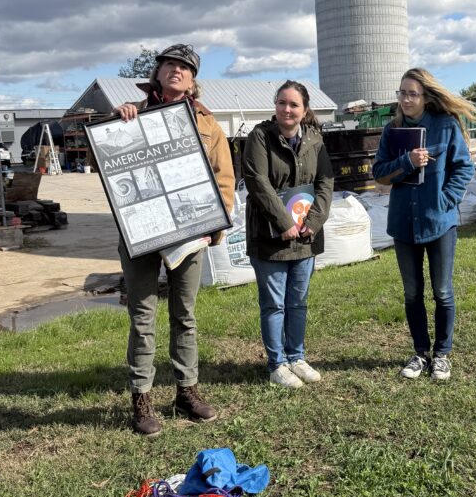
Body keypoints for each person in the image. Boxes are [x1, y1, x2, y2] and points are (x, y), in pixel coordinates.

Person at [115, 44, 235, 436]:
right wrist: (116, 123)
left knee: (185, 314)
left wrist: (216, 223)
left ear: (193, 79)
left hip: (189, 231)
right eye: (169, 64)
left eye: (185, 67)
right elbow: (106, 161)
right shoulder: (132, 115)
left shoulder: (207, 123)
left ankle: (186, 391)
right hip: (142, 230)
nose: (176, 70)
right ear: (158, 72)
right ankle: (141, 398)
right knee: (142, 316)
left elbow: (224, 176)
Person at [372, 68, 476, 382]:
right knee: (412, 293)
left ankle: (442, 355)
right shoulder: (392, 131)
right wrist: (407, 161)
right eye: (402, 93)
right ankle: (420, 353)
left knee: (442, 291)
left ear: (425, 97)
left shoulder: (445, 126)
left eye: (412, 94)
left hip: (439, 222)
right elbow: (380, 174)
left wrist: (447, 200)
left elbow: (463, 167)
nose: (406, 100)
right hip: (403, 223)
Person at [243, 80, 333, 388]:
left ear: (304, 110)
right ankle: (277, 365)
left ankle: (296, 357)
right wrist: (284, 223)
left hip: (305, 237)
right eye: (282, 102)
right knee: (274, 304)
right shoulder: (260, 137)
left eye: (294, 104)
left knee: (298, 302)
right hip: (270, 237)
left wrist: (314, 221)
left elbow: (325, 182)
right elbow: (257, 182)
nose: (287, 109)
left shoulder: (315, 140)